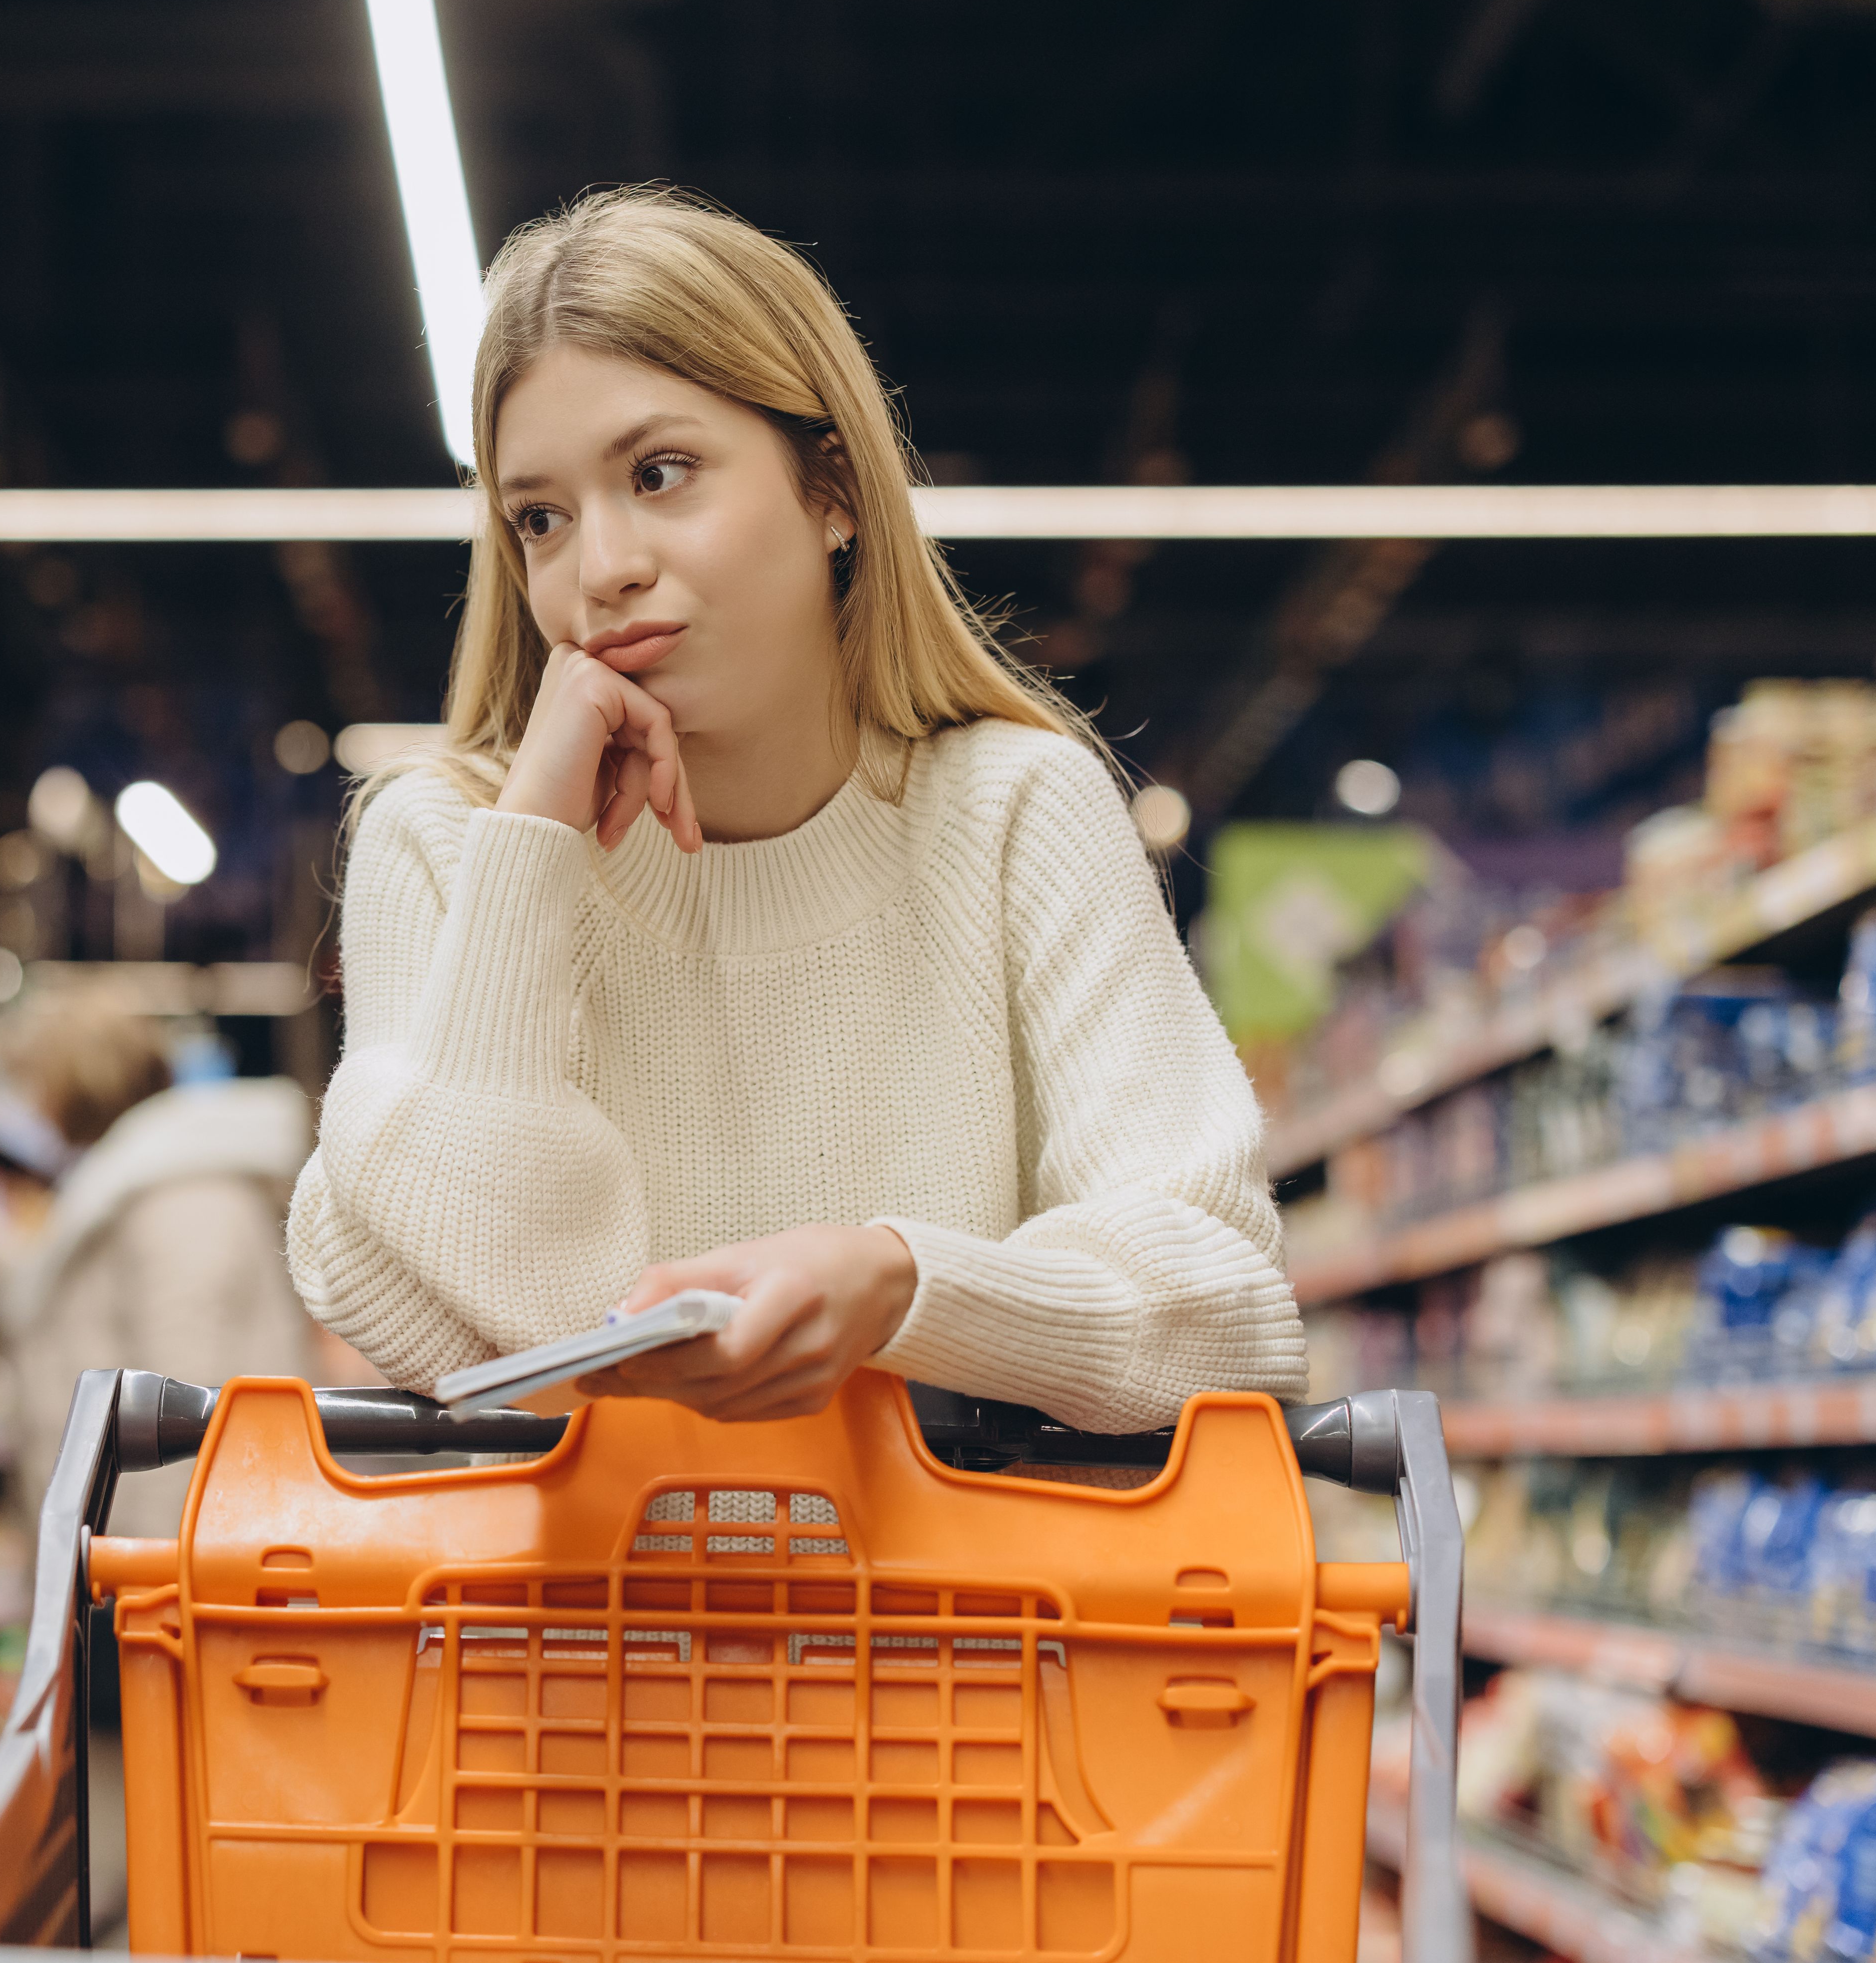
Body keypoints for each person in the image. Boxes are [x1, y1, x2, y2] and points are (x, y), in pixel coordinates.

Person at [286, 187, 1299, 1430]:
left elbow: (1223, 1312)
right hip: (565, 1622)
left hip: (960, 1618)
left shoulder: (1013, 817)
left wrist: (901, 1284)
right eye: (538, 519)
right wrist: (533, 849)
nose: (598, 569)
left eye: (661, 474)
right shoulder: (447, 843)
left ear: (834, 489)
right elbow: (470, 1317)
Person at [0, 997, 338, 1539]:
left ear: (74, 1084)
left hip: (165, 1567)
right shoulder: (133, 1189)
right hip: (126, 1557)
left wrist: (159, 1578)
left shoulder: (185, 1196)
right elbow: (91, 1318)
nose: (33, 1109)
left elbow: (189, 1408)